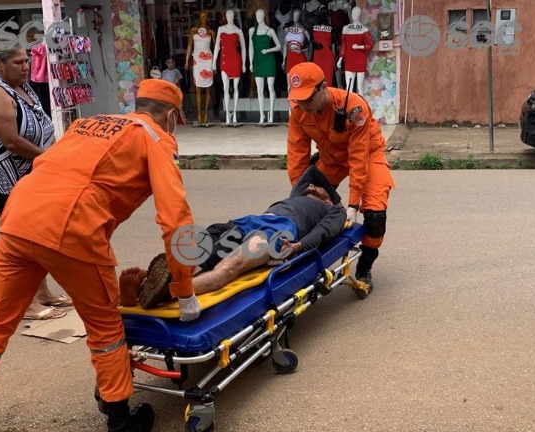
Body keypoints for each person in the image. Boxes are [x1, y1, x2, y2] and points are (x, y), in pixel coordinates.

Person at [0, 78, 201, 432]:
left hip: (19, 219)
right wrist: (183, 288)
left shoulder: (86, 124)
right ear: (172, 116)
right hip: (73, 227)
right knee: (106, 332)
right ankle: (120, 428)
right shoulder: (155, 138)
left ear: (136, 103)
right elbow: (175, 217)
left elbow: (47, 165)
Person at [122, 171, 346, 309]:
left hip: (276, 233)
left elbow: (325, 231)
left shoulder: (332, 210)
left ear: (328, 198)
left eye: (318, 188)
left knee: (230, 266)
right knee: (198, 251)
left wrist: (299, 246)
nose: (312, 185)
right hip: (246, 222)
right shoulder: (298, 193)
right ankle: (155, 284)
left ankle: (163, 293)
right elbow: (313, 171)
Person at [0, 40, 71, 320]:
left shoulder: (22, 87)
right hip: (7, 180)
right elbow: (12, 141)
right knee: (21, 241)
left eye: (26, 60)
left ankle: (42, 293)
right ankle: (27, 303)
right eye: (18, 62)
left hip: (31, 176)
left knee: (36, 237)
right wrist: (49, 159)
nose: (25, 66)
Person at [286, 62, 393, 298]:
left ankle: (364, 269)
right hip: (331, 159)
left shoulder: (353, 107)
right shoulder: (299, 110)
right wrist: (300, 193)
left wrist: (354, 204)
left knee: (375, 216)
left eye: (308, 98)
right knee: (309, 207)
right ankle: (311, 264)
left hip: (368, 154)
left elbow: (358, 157)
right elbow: (296, 154)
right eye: (299, 99)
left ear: (323, 87)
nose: (303, 104)